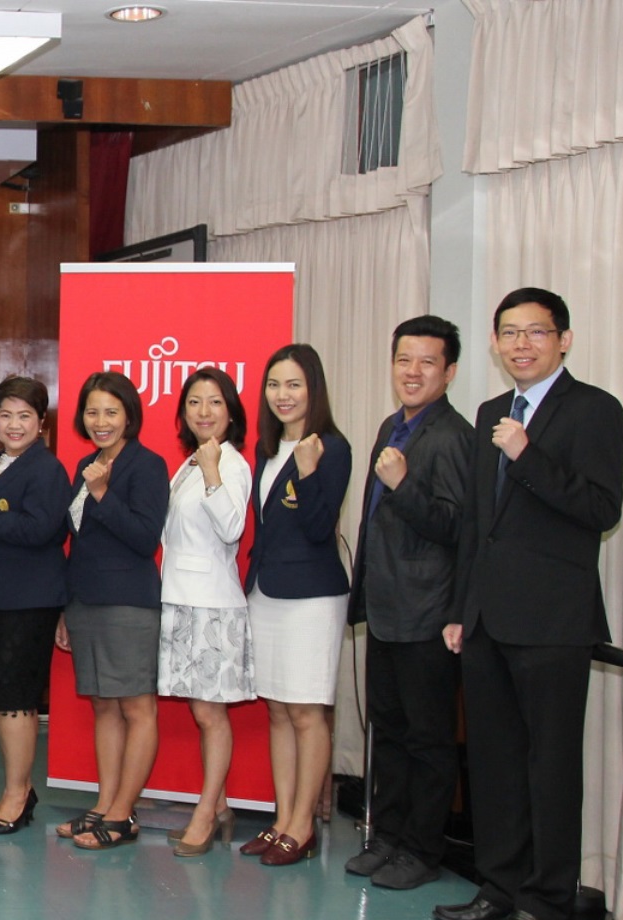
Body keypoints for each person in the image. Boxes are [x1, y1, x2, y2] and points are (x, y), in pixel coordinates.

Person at [434, 288, 623, 920]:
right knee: (494, 764)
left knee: (550, 769)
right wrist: (461, 609)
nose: (521, 344)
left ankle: (545, 904)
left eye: (536, 332)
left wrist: (527, 455)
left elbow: (600, 508)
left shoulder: (594, 409)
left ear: (563, 340)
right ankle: (499, 886)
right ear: (494, 342)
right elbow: (477, 525)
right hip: (487, 619)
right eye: (509, 332)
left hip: (552, 622)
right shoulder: (491, 411)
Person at [343, 317, 472, 890]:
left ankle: (422, 848)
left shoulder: (453, 436)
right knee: (389, 732)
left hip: (428, 614)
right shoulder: (392, 427)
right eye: (403, 360)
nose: (412, 372)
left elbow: (456, 527)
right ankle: (388, 837)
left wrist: (403, 484)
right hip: (387, 608)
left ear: (449, 371)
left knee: (428, 740)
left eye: (426, 362)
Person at [242, 344, 351, 867]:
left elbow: (318, 527)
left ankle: (303, 825)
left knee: (307, 712)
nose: (282, 395)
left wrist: (307, 473)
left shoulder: (332, 447)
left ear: (314, 390)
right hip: (267, 593)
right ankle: (282, 818)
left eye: (293, 385)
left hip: (312, 598)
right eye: (274, 385)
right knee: (279, 710)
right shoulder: (265, 449)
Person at [52, 371, 168, 850]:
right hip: (86, 601)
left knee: (136, 707)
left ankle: (123, 814)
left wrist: (102, 494)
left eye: (111, 412)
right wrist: (66, 607)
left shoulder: (148, 465)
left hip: (128, 604)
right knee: (103, 704)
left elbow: (144, 538)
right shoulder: (86, 463)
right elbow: (78, 542)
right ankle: (103, 805)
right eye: (92, 411)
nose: (100, 421)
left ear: (129, 416)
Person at [0, 376, 68, 836]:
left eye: (24, 416)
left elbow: (41, 530)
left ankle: (18, 796)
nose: (14, 424)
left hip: (26, 603)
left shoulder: (46, 469)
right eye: (5, 415)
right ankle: (18, 789)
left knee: (16, 703)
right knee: (3, 703)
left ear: (41, 423)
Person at [156, 367, 254, 857]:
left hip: (212, 605)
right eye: (194, 402)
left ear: (231, 412)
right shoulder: (189, 464)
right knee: (202, 712)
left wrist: (214, 470)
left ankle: (206, 812)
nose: (204, 412)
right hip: (180, 599)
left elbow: (232, 527)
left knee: (210, 714)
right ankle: (218, 806)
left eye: (215, 402)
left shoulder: (229, 463)